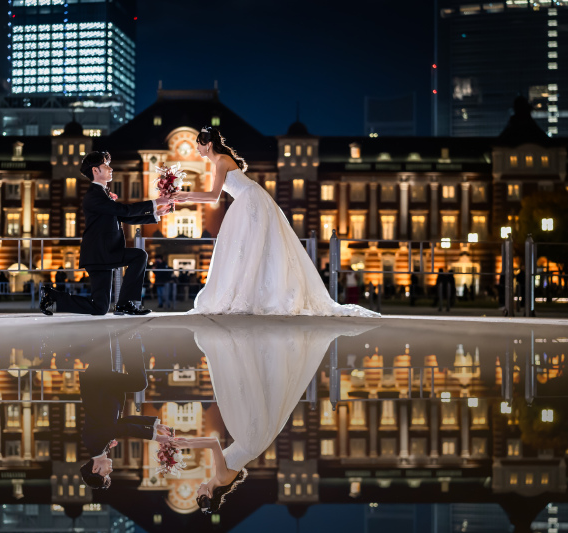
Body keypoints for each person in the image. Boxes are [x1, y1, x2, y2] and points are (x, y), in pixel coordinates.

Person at [172, 318, 379, 513]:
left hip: (251, 440)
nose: (197, 491)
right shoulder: (220, 477)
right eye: (198, 495)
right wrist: (184, 444)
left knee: (253, 392)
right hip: (249, 438)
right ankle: (258, 348)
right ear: (207, 494)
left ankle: (263, 349)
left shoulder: (221, 480)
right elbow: (213, 442)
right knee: (248, 390)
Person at [171, 127, 378, 317]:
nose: (197, 148)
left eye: (198, 143)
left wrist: (185, 195)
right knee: (251, 248)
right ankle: (257, 293)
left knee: (252, 247)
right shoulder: (219, 162)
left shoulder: (222, 161)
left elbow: (213, 196)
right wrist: (184, 196)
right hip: (247, 199)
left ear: (207, 144)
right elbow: (214, 195)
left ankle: (262, 294)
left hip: (250, 199)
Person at [39, 151, 173, 316]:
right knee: (139, 256)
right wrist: (155, 202)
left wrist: (156, 214)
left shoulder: (102, 194)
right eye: (106, 166)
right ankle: (125, 303)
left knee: (99, 307)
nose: (110, 169)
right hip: (99, 254)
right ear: (95, 171)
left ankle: (52, 296)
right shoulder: (93, 196)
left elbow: (123, 216)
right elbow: (123, 210)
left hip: (104, 254)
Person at [79, 331, 173, 489]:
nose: (111, 470)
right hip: (104, 387)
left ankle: (128, 338)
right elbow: (123, 422)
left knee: (139, 382)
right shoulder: (101, 446)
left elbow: (123, 427)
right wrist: (154, 425)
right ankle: (125, 336)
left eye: (105, 473)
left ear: (95, 469)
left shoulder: (94, 443)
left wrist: (155, 437)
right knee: (104, 348)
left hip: (99, 384)